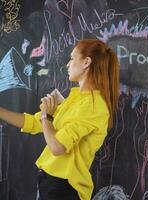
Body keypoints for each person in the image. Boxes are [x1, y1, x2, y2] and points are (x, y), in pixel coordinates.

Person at [0, 39, 120, 200]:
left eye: (72, 58)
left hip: (64, 187)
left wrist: (47, 116)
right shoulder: (76, 97)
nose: (67, 65)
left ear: (86, 62)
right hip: (50, 182)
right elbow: (34, 123)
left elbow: (57, 147)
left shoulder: (94, 105)